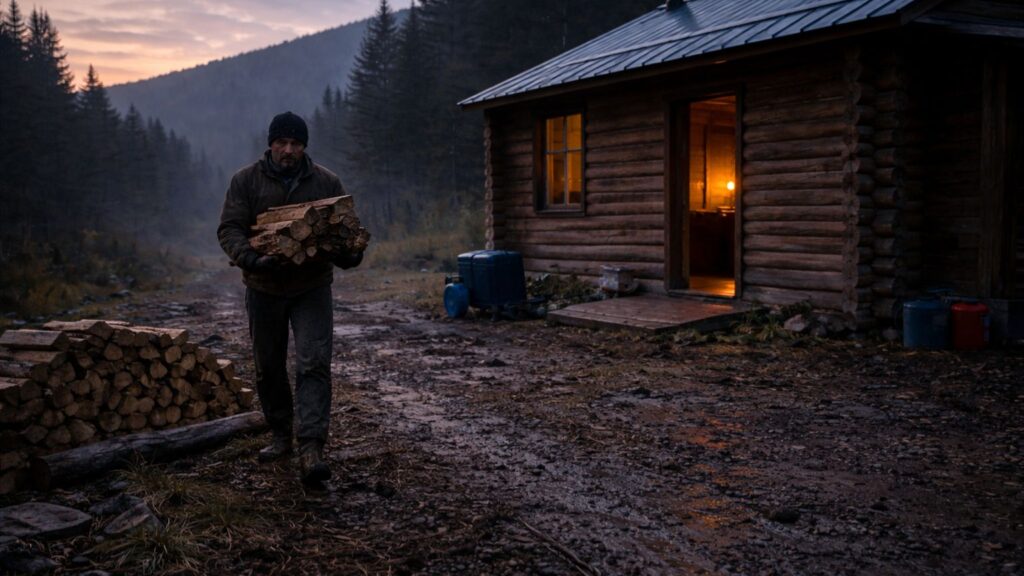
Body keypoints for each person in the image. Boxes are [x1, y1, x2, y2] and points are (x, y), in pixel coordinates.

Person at [217, 111, 363, 484]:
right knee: (268, 367)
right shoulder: (246, 181)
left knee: (313, 364)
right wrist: (251, 257)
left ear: (304, 146)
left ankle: (311, 446)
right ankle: (280, 434)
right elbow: (229, 229)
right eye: (281, 142)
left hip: (311, 287)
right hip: (263, 287)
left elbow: (344, 235)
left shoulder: (326, 182)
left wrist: (350, 251)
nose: (288, 150)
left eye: (296, 143)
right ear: (270, 144)